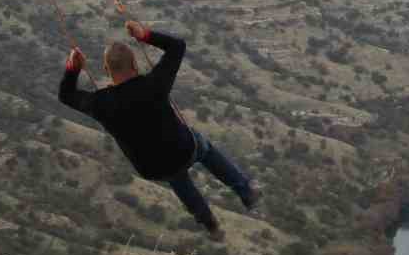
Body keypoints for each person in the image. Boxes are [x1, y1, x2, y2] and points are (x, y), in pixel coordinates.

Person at [59, 20, 259, 239]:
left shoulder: (101, 103)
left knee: (174, 173)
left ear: (106, 69)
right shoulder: (154, 83)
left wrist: (73, 68)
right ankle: (245, 191)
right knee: (205, 149)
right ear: (134, 64)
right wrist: (144, 35)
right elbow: (178, 46)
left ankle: (208, 223)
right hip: (183, 148)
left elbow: (66, 95)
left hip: (151, 167)